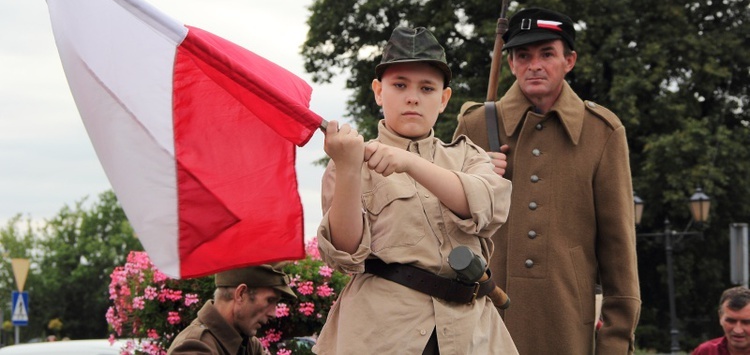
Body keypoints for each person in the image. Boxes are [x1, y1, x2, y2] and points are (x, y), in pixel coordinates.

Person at [313, 26, 518, 354]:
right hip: (381, 334)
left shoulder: (468, 156)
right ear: (379, 92)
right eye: (399, 85)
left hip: (472, 336)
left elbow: (488, 208)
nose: (412, 97)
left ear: (443, 98)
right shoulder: (349, 162)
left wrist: (408, 163)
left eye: (426, 88)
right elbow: (345, 253)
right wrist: (350, 168)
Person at [453, 7, 641, 354]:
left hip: (565, 328)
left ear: (569, 60)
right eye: (523, 55)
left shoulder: (602, 132)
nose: (534, 65)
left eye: (547, 54)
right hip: (481, 325)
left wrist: (615, 343)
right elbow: (448, 231)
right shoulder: (475, 125)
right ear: (510, 64)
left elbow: (619, 255)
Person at [167, 263, 296, 355]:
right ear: (241, 294)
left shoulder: (248, 344)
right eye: (270, 300)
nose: (273, 313)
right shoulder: (195, 347)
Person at [692, 286, 750, 355]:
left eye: (746, 322)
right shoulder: (706, 352)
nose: (737, 330)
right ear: (720, 317)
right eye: (731, 321)